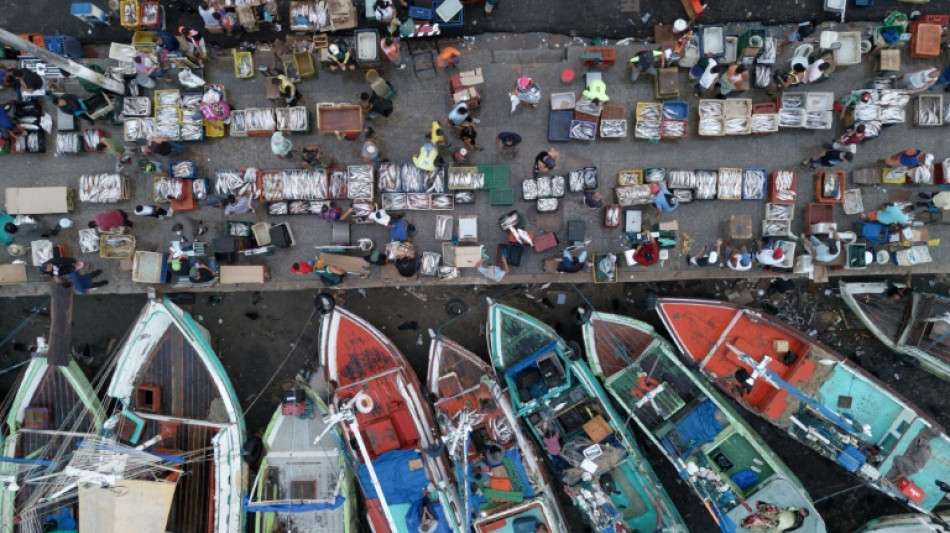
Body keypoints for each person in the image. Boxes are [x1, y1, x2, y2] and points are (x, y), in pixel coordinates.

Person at [741, 501, 810, 532]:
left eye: (802, 509)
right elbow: (791, 529)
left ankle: (748, 523)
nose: (800, 508)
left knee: (768, 516)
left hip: (782, 519)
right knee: (767, 525)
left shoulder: (795, 511)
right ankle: (750, 525)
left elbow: (786, 509)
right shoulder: (800, 522)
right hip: (782, 526)